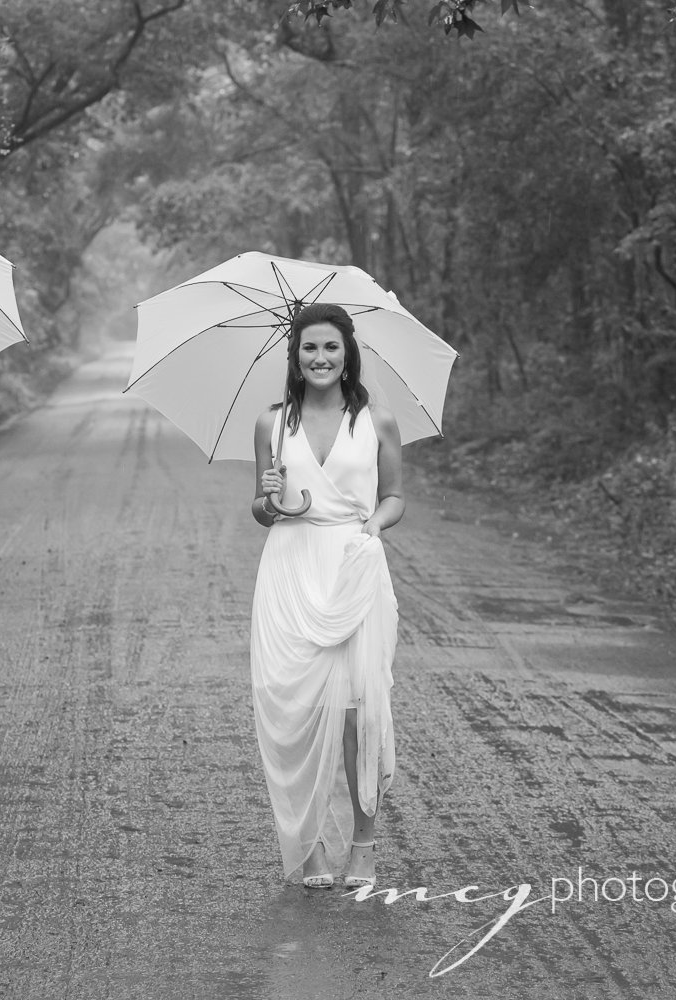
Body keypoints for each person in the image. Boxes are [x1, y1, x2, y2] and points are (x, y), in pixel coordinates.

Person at [249, 302, 404, 889]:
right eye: (309, 348)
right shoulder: (272, 423)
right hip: (290, 568)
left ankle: (364, 845)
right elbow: (264, 513)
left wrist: (373, 526)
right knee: (292, 707)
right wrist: (268, 495)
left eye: (330, 347)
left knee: (360, 713)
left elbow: (394, 497)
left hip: (354, 567)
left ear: (347, 355)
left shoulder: (377, 420)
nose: (320, 358)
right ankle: (307, 844)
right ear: (295, 356)